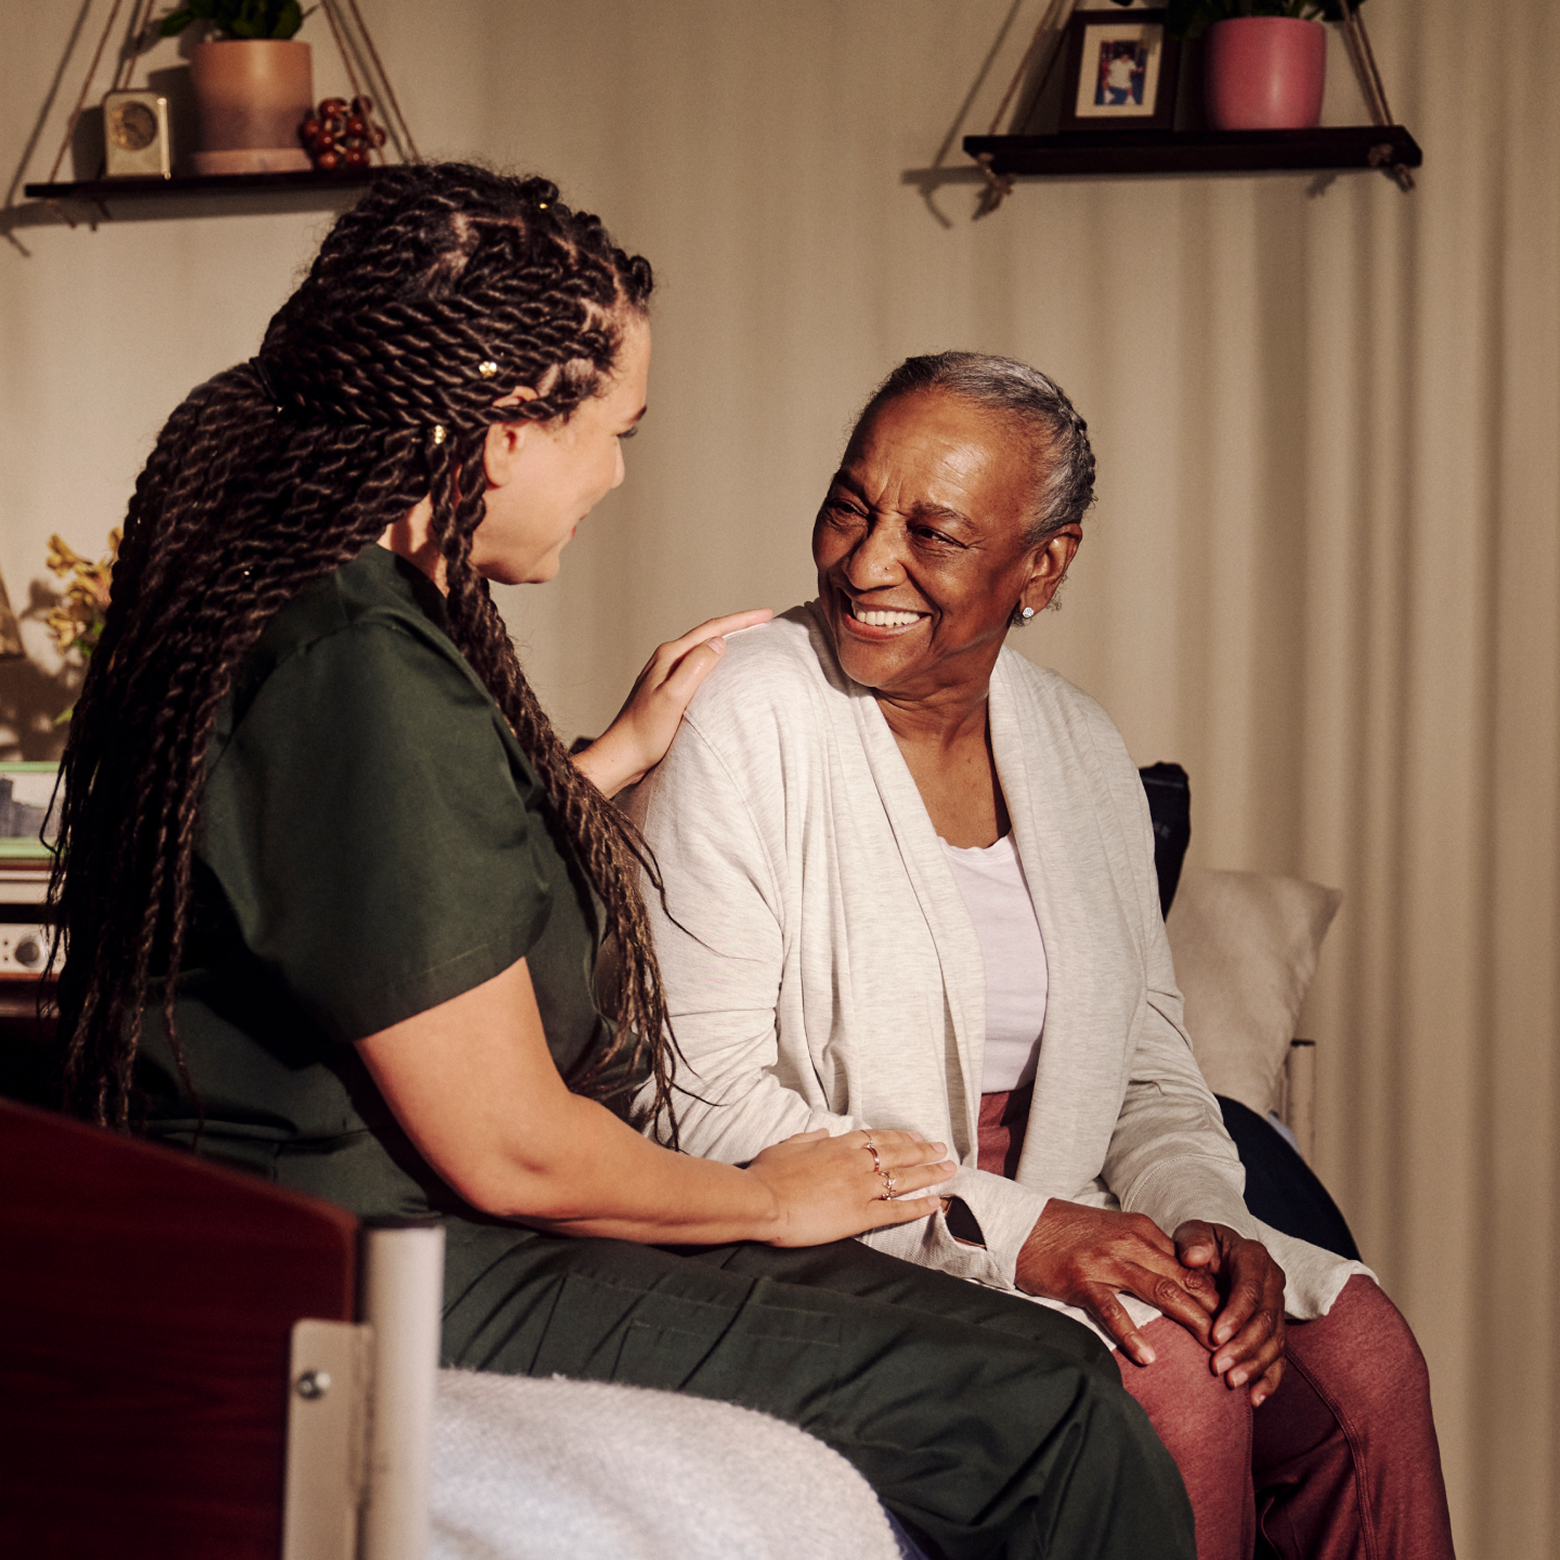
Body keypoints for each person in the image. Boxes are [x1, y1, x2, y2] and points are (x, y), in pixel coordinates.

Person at [49, 169, 1195, 1560]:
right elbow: (519, 1147)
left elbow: (370, 870)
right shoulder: (361, 661)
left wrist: (596, 765)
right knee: (1047, 1396)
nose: (616, 475)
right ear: (506, 425)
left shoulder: (322, 597)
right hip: (370, 1273)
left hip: (346, 1237)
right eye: (612, 430)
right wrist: (775, 1197)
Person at [630, 352, 1458, 1560]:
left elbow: (1149, 1075)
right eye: (853, 504)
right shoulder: (743, 711)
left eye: (934, 531)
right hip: (839, 1236)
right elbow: (697, 1097)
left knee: (1369, 1352)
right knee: (1171, 1381)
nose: (867, 563)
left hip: (1075, 1207)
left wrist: (1209, 1223)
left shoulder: (1078, 748)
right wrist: (1022, 1228)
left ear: (1044, 566)